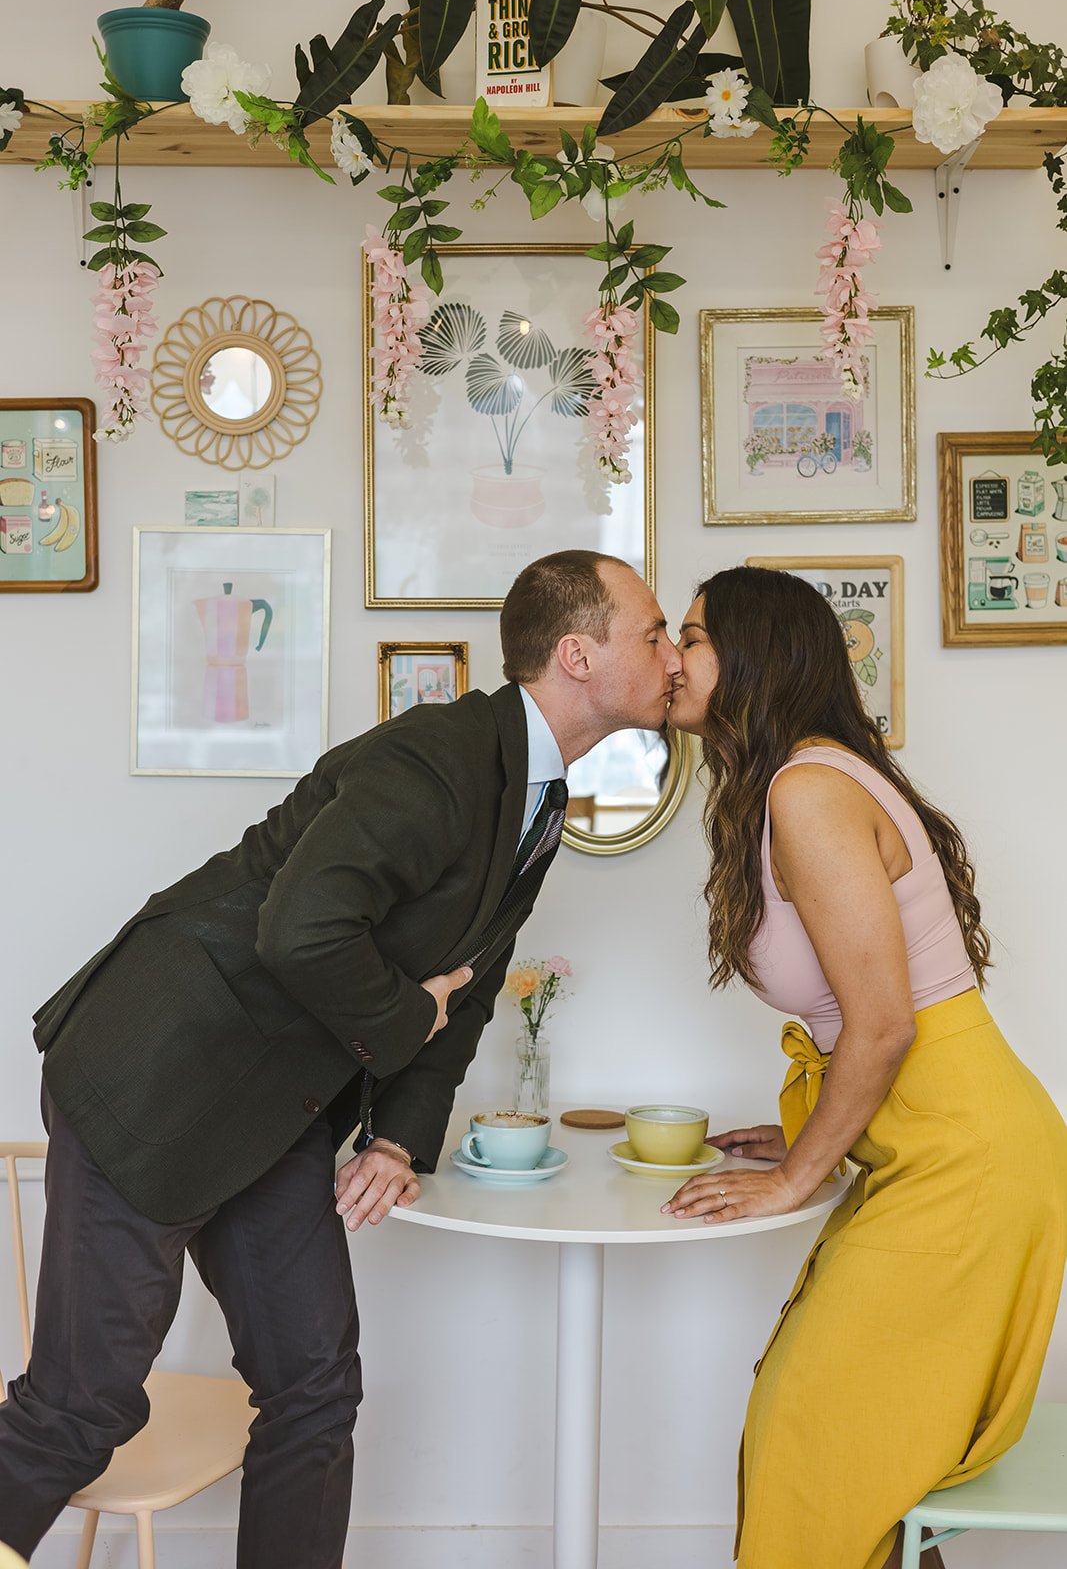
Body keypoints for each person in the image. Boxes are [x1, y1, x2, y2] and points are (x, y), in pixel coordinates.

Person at [0, 549, 681, 1568]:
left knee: (314, 1387)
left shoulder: (537, 796)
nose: (670, 654)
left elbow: (469, 985)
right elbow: (302, 931)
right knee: (82, 1405)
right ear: (577, 654)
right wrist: (409, 1017)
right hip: (155, 1078)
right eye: (655, 630)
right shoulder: (441, 758)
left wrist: (401, 1137)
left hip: (270, 1106)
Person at [663, 565, 1067, 1569]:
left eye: (693, 636)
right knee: (846, 1448)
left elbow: (882, 1025)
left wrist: (800, 1174)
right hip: (935, 1149)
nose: (672, 657)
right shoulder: (793, 783)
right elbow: (865, 1019)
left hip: (967, 1168)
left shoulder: (807, 788)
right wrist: (811, 1134)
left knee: (813, 1433)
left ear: (756, 656)